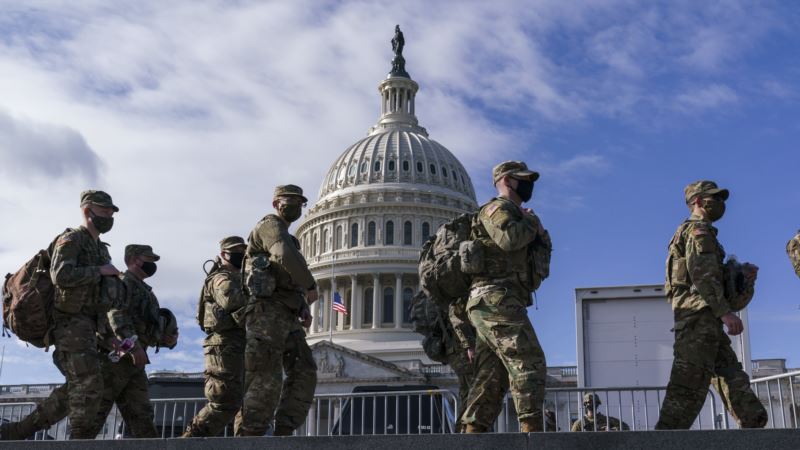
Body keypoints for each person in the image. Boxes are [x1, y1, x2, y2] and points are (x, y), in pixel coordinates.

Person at [0, 245, 178, 440]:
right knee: (83, 416)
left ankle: (17, 431)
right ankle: (17, 431)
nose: (152, 264)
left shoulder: (146, 292)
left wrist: (165, 338)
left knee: (142, 421)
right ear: (135, 260)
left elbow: (144, 326)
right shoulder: (123, 283)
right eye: (149, 259)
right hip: (113, 362)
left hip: (132, 366)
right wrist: (133, 347)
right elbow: (115, 316)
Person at [655, 181, 767, 429]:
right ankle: (663, 441)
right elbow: (701, 275)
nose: (719, 203)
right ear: (697, 200)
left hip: (707, 322)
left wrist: (743, 280)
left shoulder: (706, 235)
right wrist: (725, 313)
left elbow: (720, 286)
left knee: (733, 379)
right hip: (698, 320)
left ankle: (756, 428)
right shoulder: (698, 231)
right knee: (687, 390)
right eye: (713, 198)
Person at [461, 161, 548, 433]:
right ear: (508, 181)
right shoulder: (496, 208)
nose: (529, 184)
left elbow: (537, 264)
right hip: (495, 298)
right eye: (523, 179)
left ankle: (472, 434)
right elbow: (509, 240)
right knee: (529, 361)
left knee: (491, 379)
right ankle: (532, 433)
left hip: (500, 301)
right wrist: (532, 221)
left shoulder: (516, 213)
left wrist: (538, 231)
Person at [237, 185, 318, 437]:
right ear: (276, 203)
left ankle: (283, 433)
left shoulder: (289, 237)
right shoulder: (270, 226)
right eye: (289, 200)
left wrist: (302, 305)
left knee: (305, 371)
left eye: (299, 202)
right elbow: (282, 254)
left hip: (288, 314)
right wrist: (310, 285)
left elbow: (286, 276)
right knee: (265, 379)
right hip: (266, 313)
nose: (294, 205)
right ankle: (249, 438)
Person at [182, 236, 248, 437]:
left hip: (240, 345)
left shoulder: (241, 279)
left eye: (243, 252)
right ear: (223, 254)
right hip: (223, 346)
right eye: (236, 252)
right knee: (223, 402)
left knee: (246, 404)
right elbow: (233, 301)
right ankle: (187, 442)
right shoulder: (220, 278)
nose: (241, 256)